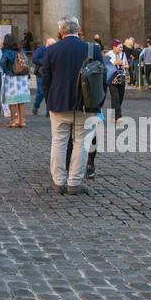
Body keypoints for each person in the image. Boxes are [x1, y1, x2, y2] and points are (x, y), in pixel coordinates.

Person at [38, 16, 95, 195]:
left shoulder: (52, 50)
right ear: (79, 29)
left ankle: (58, 181)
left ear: (61, 31)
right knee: (81, 143)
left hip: (59, 103)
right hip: (86, 104)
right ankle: (74, 183)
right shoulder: (92, 49)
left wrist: (51, 100)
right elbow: (100, 80)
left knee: (59, 142)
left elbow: (45, 80)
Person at [1, 34, 31, 127]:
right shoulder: (20, 51)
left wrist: (6, 70)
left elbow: (2, 62)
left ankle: (13, 121)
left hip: (12, 77)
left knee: (12, 100)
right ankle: (21, 121)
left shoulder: (6, 51)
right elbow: (27, 63)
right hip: (22, 78)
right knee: (21, 100)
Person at [105, 38, 128, 123]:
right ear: (114, 47)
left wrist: (124, 66)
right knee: (115, 98)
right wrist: (115, 63)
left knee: (120, 97)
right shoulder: (108, 54)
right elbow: (105, 65)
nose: (121, 49)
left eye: (122, 47)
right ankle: (118, 117)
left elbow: (127, 65)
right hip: (112, 78)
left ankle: (114, 115)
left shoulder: (123, 54)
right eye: (120, 47)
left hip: (121, 78)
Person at [31, 37, 53, 115]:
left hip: (51, 74)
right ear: (47, 44)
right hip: (41, 74)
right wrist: (45, 62)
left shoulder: (54, 50)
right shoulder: (39, 50)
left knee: (50, 93)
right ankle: (36, 106)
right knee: (41, 92)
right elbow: (34, 60)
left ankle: (48, 111)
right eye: (51, 45)